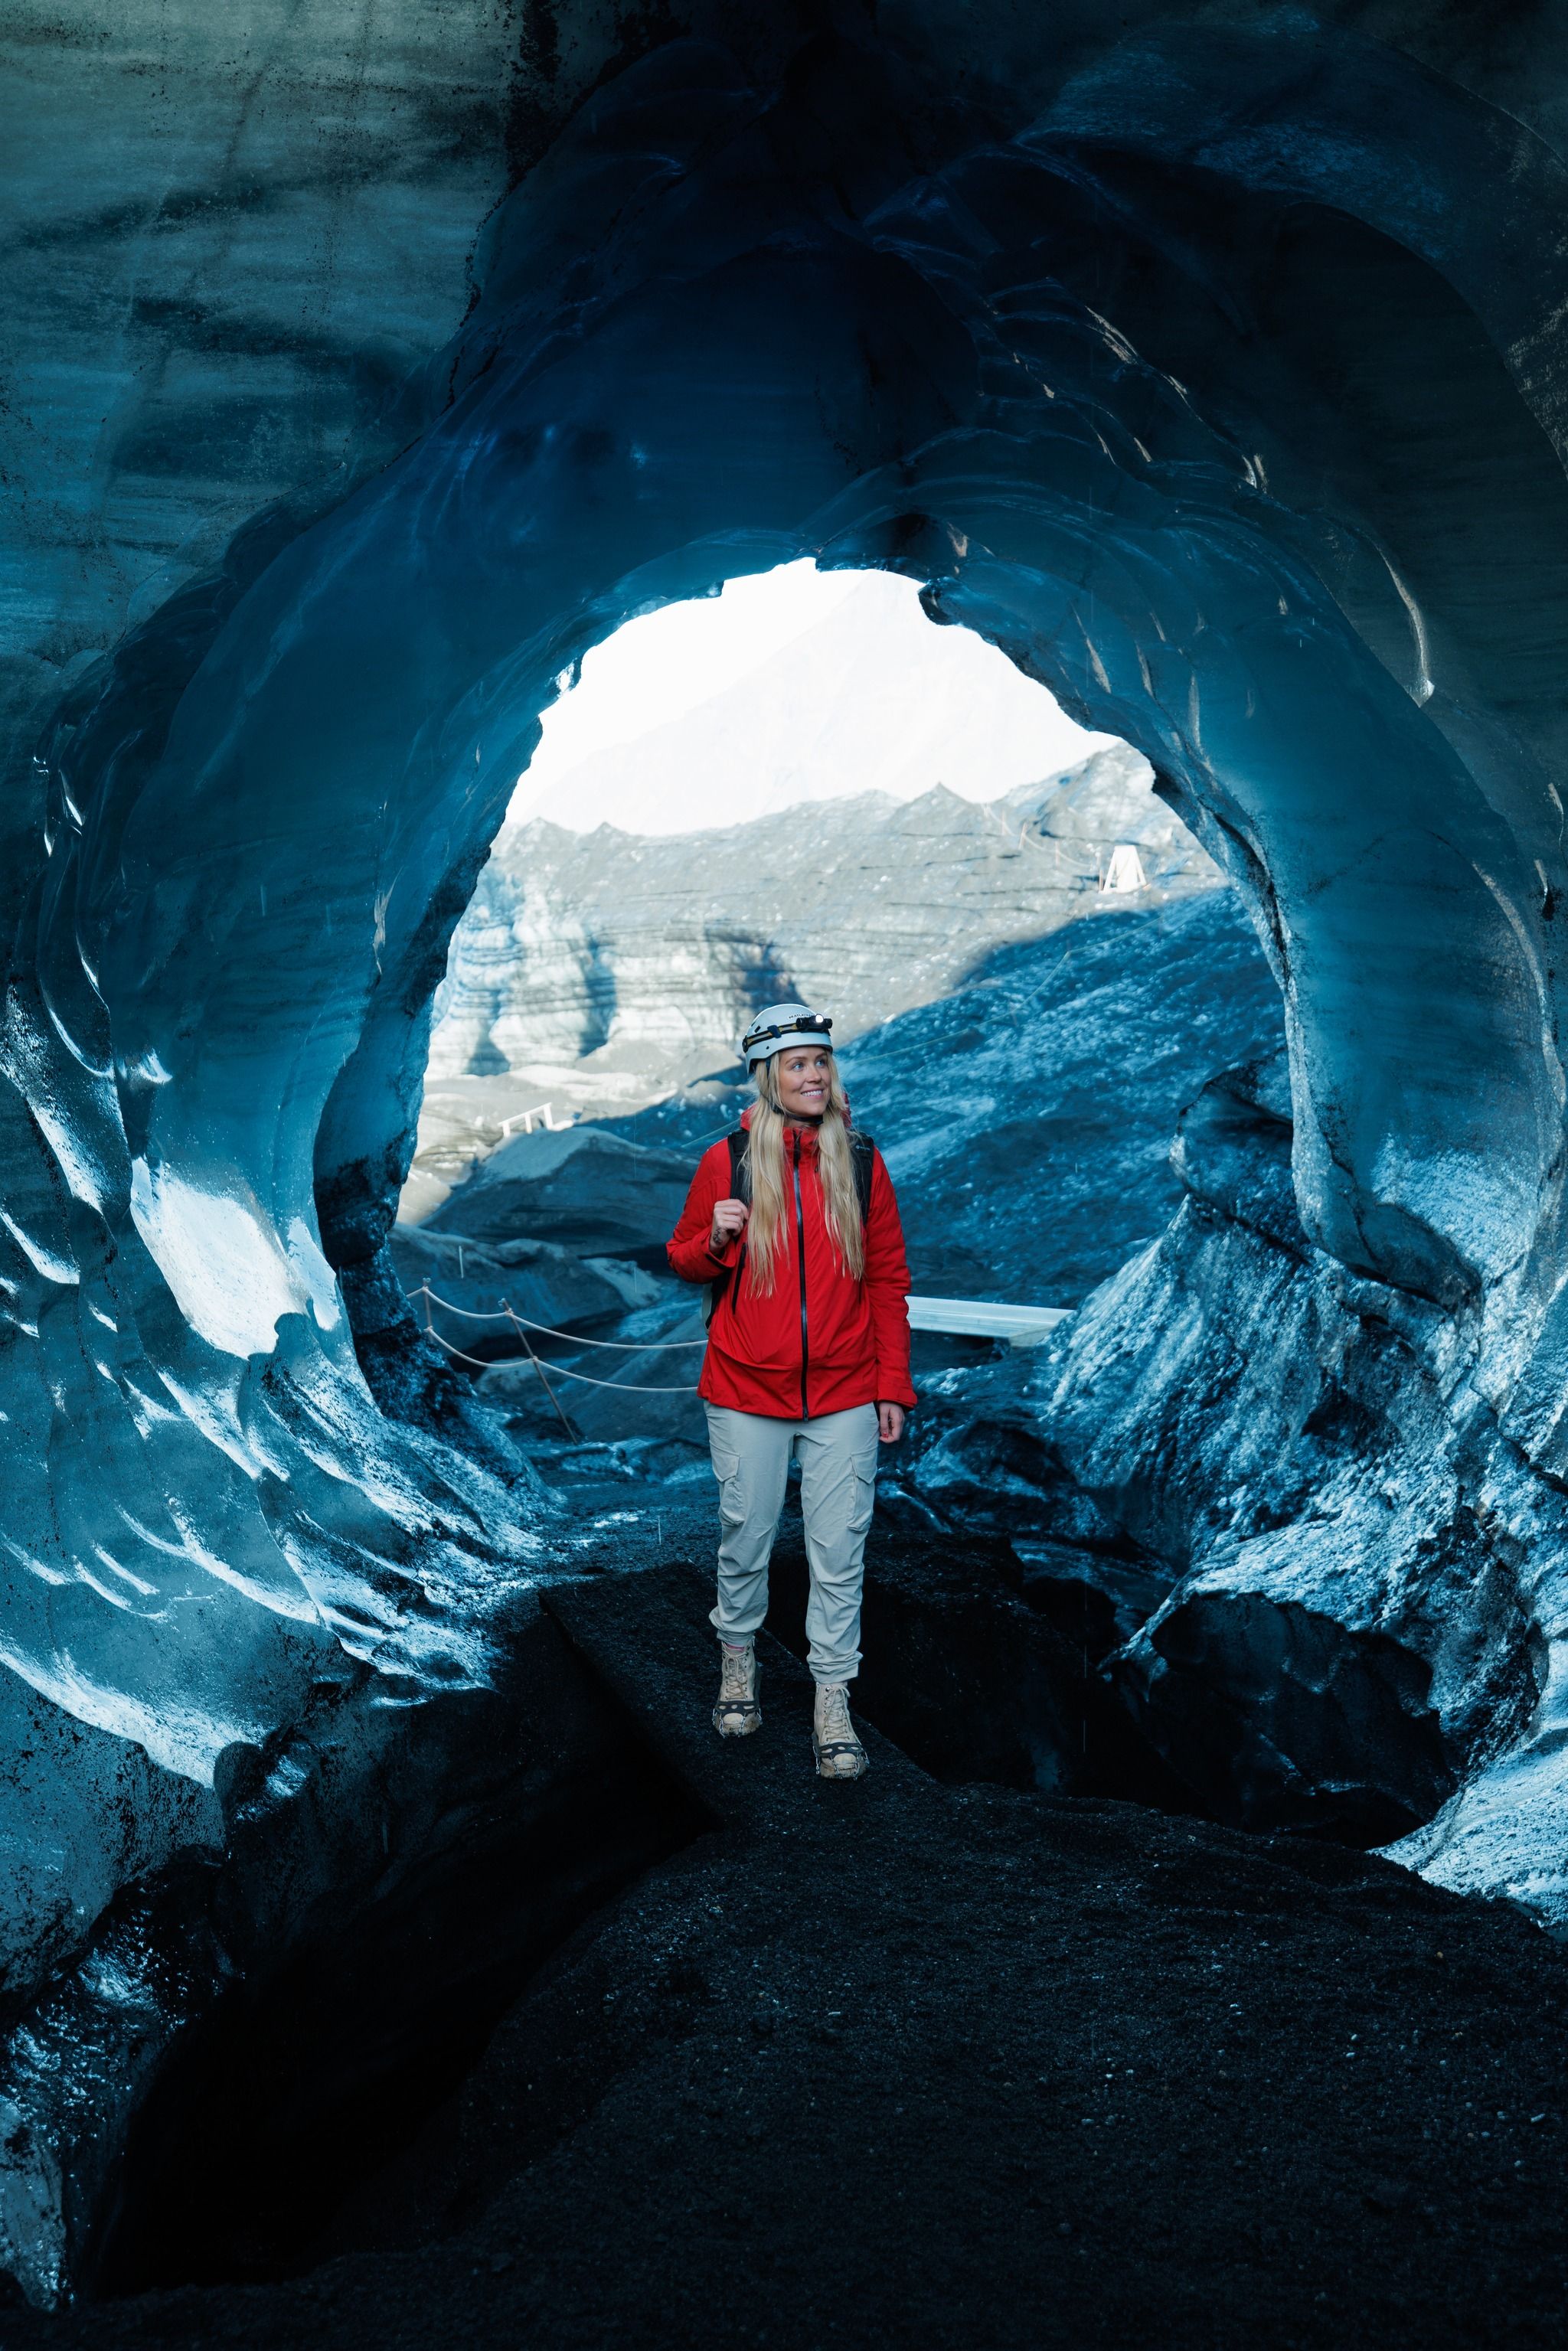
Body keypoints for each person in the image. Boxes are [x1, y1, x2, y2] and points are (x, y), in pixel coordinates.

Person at [666, 1003, 916, 1780]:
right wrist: (715, 1237)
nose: (812, 1075)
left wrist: (891, 1385)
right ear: (768, 1076)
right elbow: (682, 1259)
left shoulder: (863, 1161)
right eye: (797, 1064)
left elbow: (886, 1280)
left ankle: (830, 1700)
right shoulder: (727, 1159)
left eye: (820, 1062)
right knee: (745, 1533)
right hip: (745, 1388)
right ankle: (737, 1658)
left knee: (838, 1550)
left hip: (844, 1390)